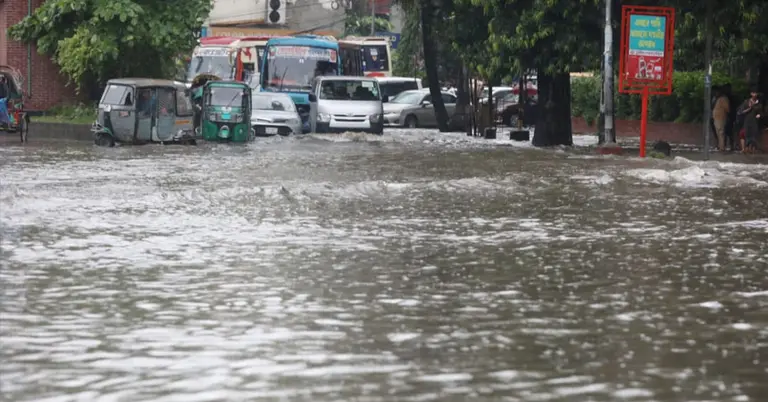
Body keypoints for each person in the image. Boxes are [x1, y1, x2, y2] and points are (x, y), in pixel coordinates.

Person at [736, 88, 764, 153]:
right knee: (747, 135)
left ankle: (753, 150)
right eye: (753, 93)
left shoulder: (759, 103)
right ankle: (746, 149)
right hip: (747, 121)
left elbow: (761, 113)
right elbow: (741, 112)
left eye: (756, 93)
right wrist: (749, 108)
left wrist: (759, 115)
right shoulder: (746, 102)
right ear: (751, 94)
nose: (755, 94)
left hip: (755, 121)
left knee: (754, 135)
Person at [711, 86, 730, 151]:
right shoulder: (716, 98)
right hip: (716, 117)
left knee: (721, 132)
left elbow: (727, 108)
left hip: (721, 117)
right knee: (718, 132)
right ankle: (720, 146)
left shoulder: (723, 98)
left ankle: (722, 147)